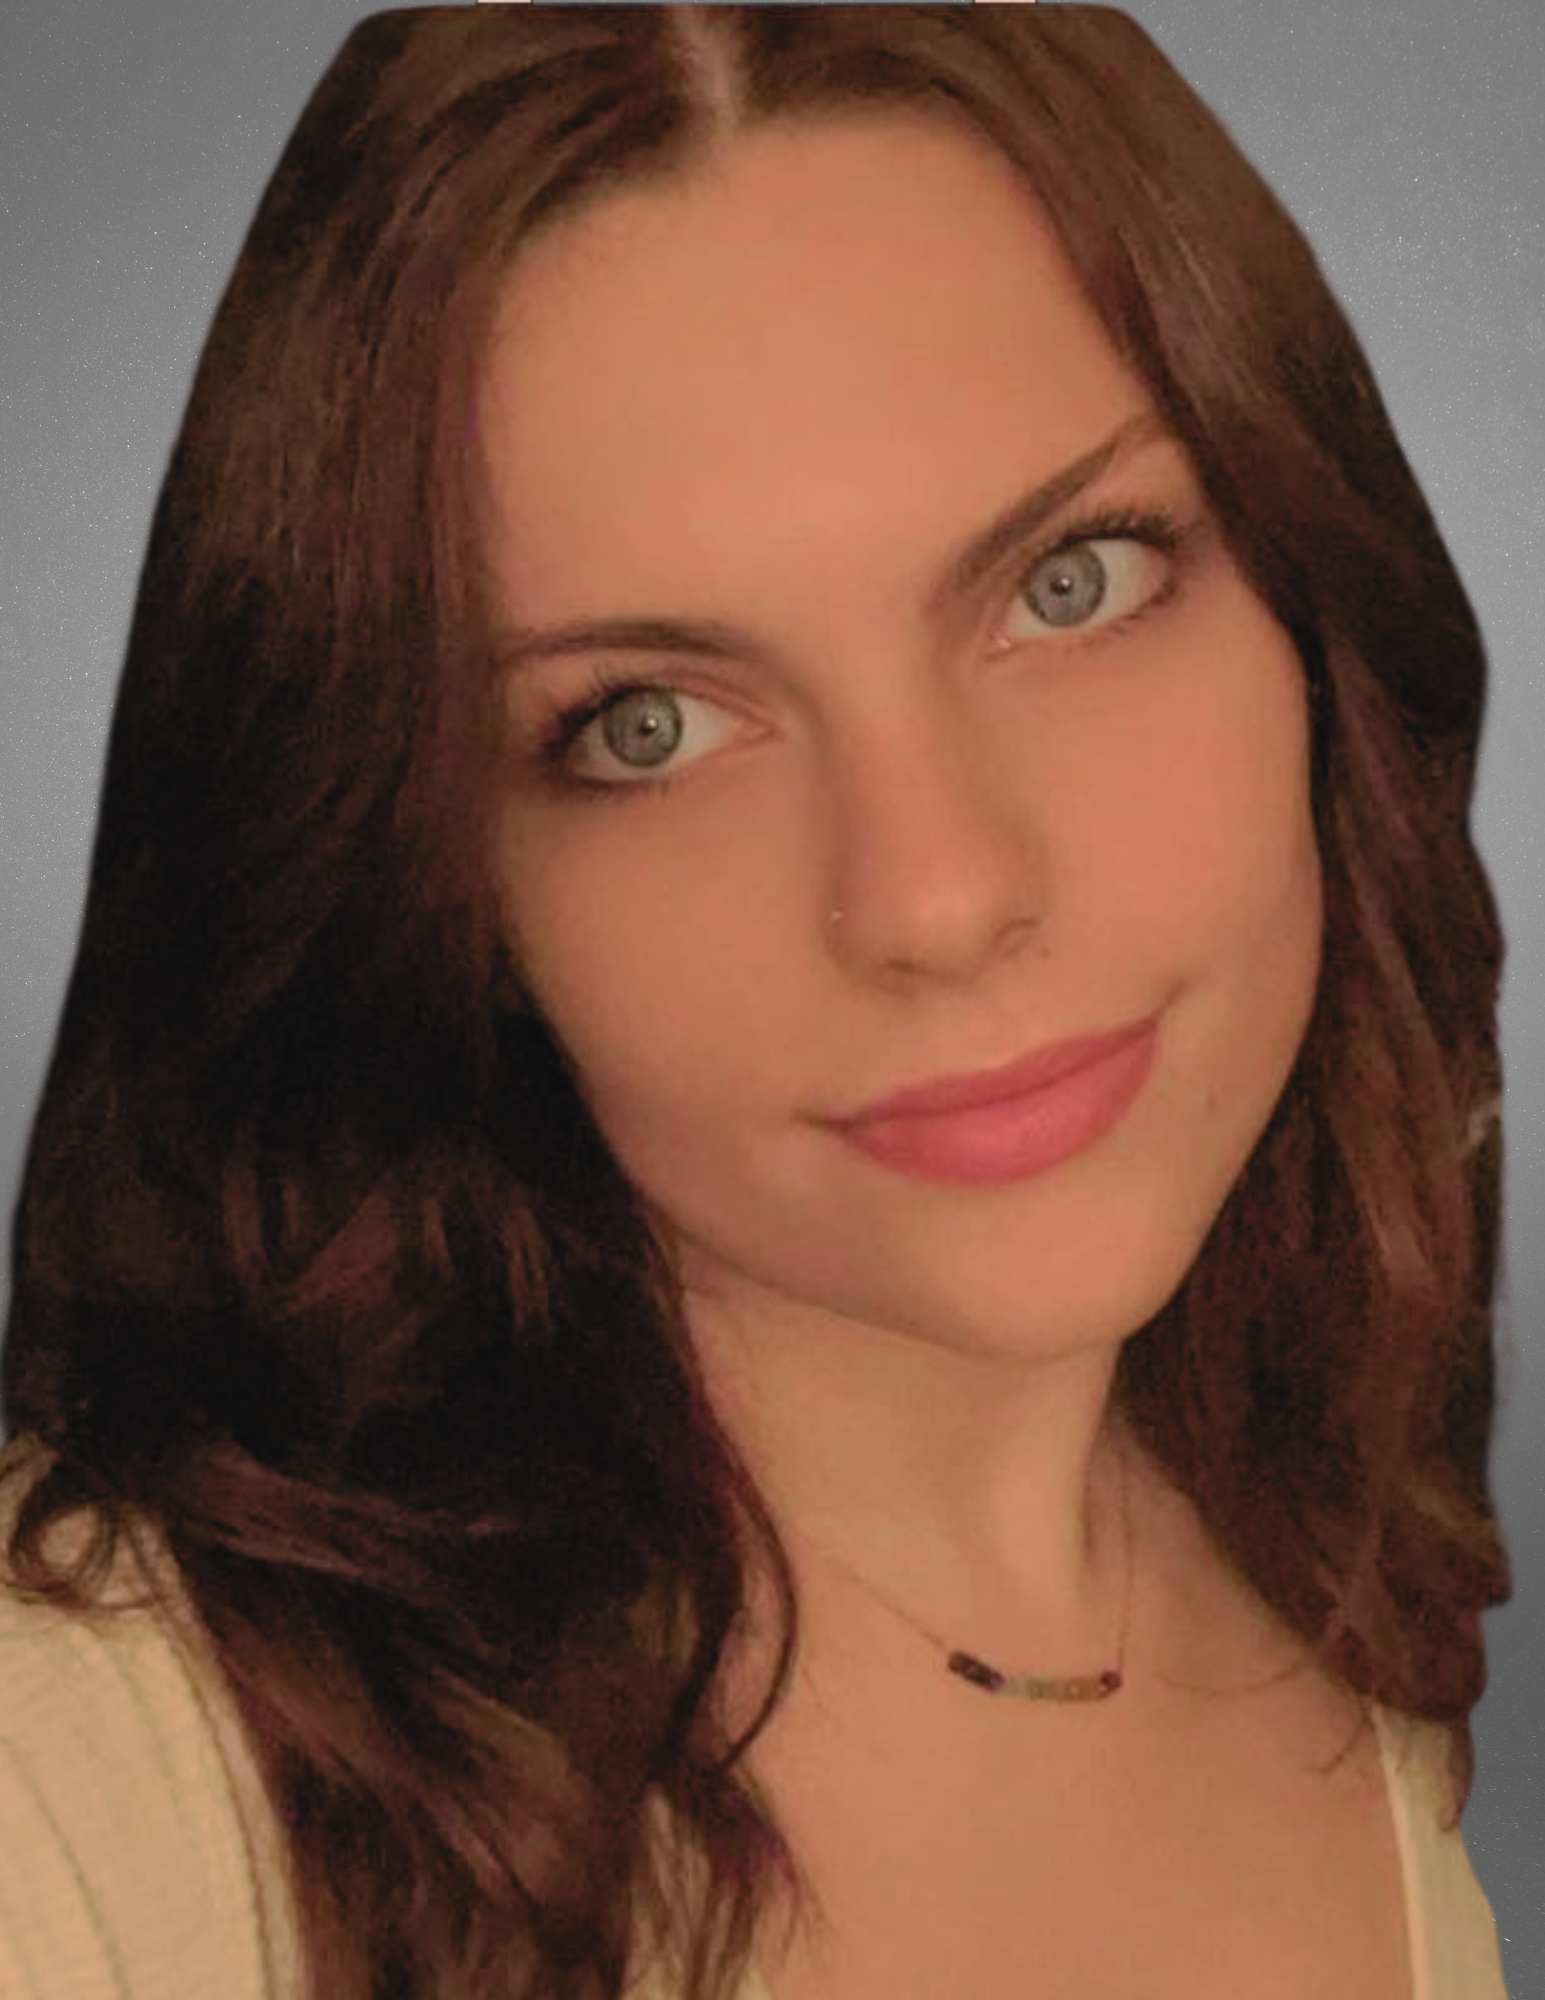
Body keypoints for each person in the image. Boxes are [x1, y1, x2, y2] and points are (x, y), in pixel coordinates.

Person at [0, 8, 1512, 1998]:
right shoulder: (73, 1786)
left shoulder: (1322, 1566)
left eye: (1070, 582)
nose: (937, 896)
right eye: (646, 724)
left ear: (1321, 620)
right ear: (427, 876)